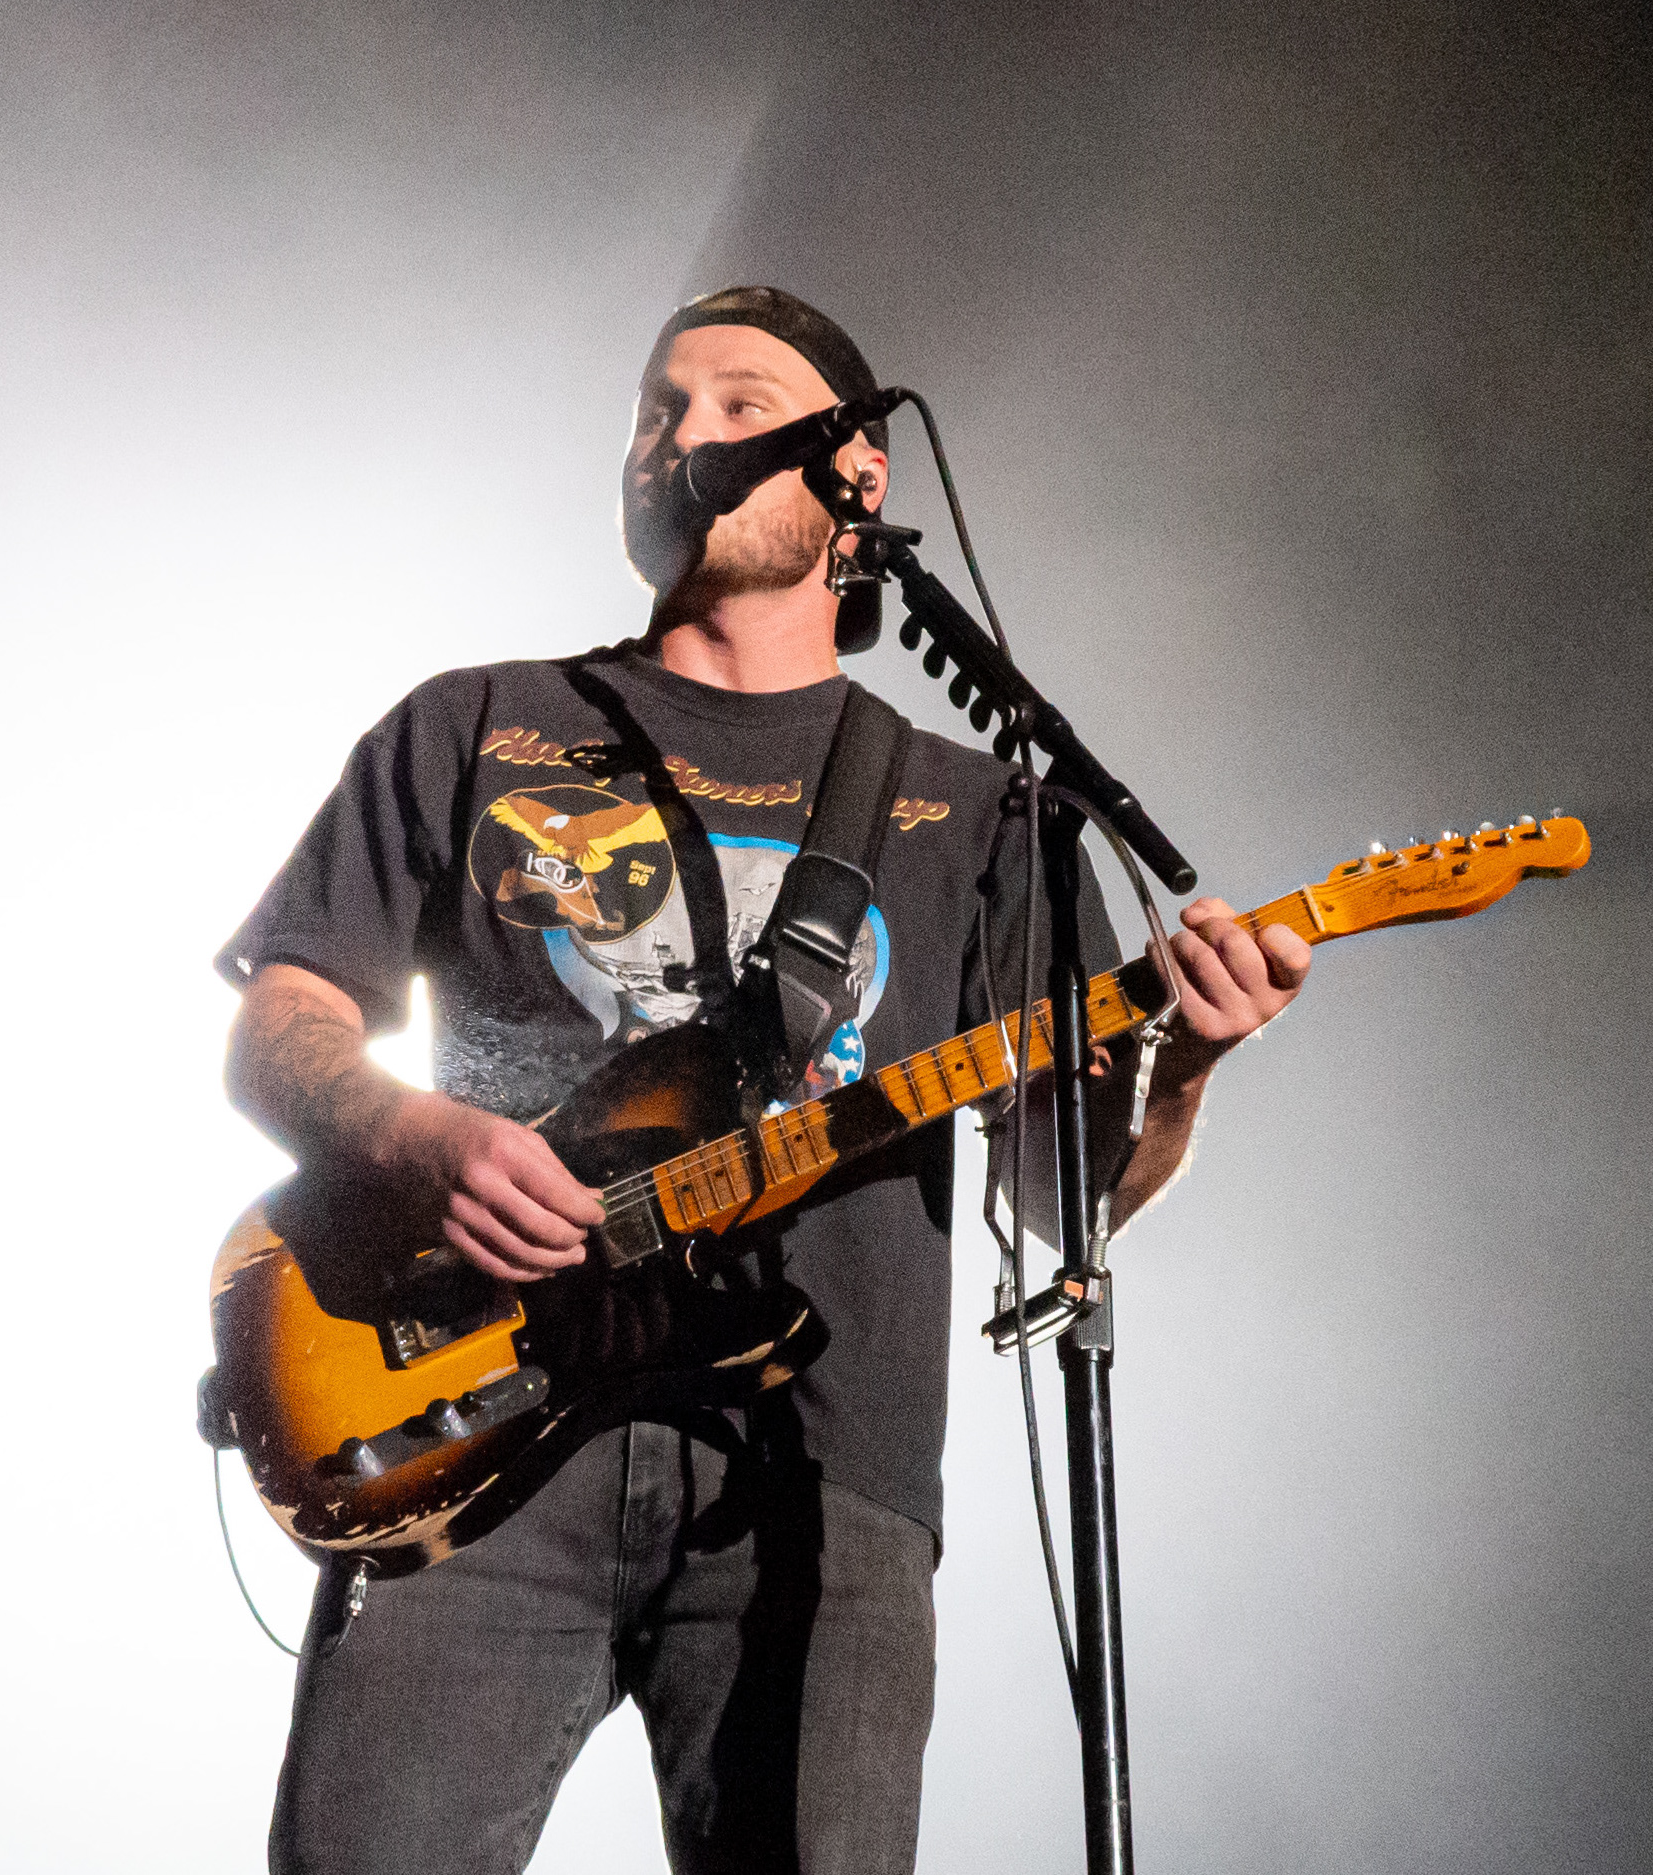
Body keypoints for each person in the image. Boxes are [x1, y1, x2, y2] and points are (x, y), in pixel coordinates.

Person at [217, 285, 1311, 1875]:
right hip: (469, 1435)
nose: (684, 434)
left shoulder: (977, 813)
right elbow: (282, 1020)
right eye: (657, 409)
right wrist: (407, 1130)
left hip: (817, 1475)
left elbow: (1057, 1192)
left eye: (740, 402)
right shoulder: (479, 725)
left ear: (859, 473)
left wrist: (1187, 1062)